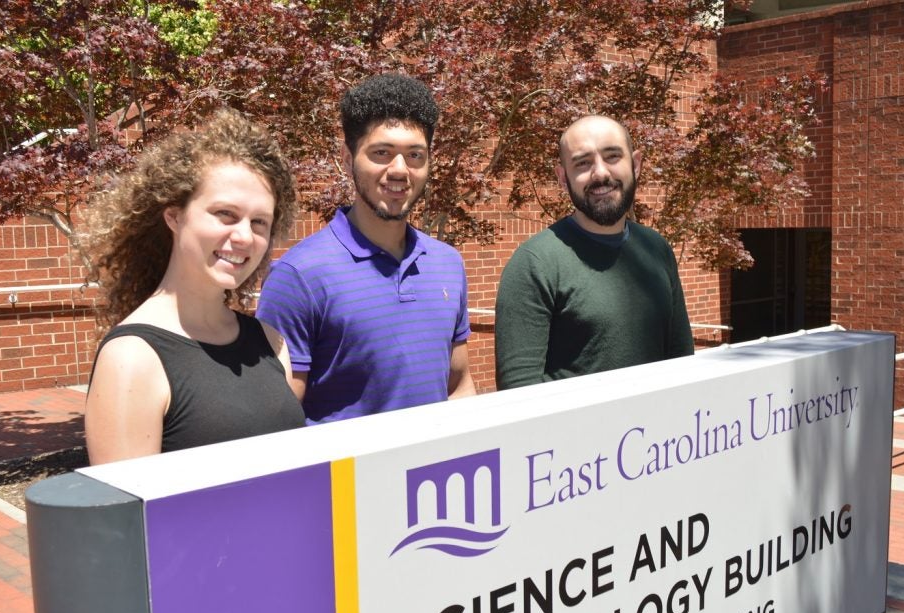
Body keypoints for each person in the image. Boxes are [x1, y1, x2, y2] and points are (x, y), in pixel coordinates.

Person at [84, 109, 306, 464]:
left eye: (260, 222)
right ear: (174, 216)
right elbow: (126, 516)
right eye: (225, 215)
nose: (245, 236)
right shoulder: (133, 358)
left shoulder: (270, 341)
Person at [256, 73, 475, 424]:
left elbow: (459, 385)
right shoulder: (299, 277)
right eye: (382, 153)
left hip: (434, 478)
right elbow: (279, 422)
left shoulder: (448, 264)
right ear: (348, 158)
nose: (400, 170)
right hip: (345, 479)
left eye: (415, 155)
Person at [495, 114, 694, 390]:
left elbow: (682, 364)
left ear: (636, 165)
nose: (600, 173)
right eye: (583, 163)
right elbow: (518, 394)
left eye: (612, 156)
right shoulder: (535, 264)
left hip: (655, 431)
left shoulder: (656, 249)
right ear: (563, 178)